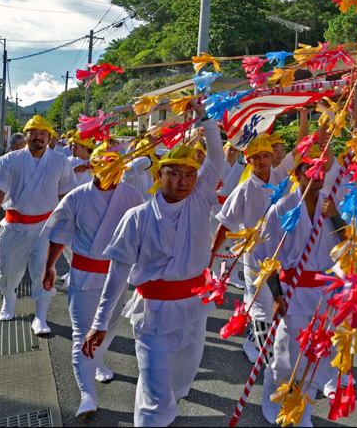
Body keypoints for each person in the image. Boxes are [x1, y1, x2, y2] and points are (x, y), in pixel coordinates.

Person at [82, 104, 222, 427]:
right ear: (160, 175)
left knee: (178, 384)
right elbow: (117, 274)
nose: (183, 181)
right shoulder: (138, 218)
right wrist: (101, 322)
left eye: (190, 174)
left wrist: (205, 114)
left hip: (195, 310)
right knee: (157, 397)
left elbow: (215, 156)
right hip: (154, 315)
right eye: (175, 173)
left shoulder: (201, 199)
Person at [42, 142, 144, 418]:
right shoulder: (76, 197)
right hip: (84, 274)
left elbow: (144, 236)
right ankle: (87, 393)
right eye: (102, 164)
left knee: (109, 326)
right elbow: (60, 235)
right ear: (93, 166)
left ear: (122, 167)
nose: (108, 170)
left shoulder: (134, 196)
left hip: (118, 275)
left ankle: (96, 360)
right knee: (82, 332)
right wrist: (50, 266)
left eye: (114, 164)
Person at [258, 150, 346, 426]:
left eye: (322, 170)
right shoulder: (282, 208)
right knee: (287, 354)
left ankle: (302, 411)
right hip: (291, 288)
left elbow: (347, 246)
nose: (317, 176)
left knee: (315, 354)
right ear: (297, 174)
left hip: (322, 291)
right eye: (311, 170)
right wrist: (275, 295)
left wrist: (336, 217)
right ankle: (273, 396)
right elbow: (266, 256)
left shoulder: (331, 206)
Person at [0, 115, 78, 334]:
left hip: (45, 227)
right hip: (14, 225)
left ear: (49, 137)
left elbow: (67, 194)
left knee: (44, 272)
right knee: (7, 270)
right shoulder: (9, 160)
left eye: (43, 134)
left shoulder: (60, 161)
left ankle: (41, 317)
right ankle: (8, 302)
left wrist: (70, 221)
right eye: (33, 133)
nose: (38, 137)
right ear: (25, 136)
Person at [212, 134, 281, 364]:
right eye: (256, 157)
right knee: (261, 302)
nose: (262, 161)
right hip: (255, 256)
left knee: (275, 300)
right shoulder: (243, 189)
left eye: (266, 156)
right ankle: (267, 354)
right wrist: (211, 255)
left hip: (282, 255)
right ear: (248, 160)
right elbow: (225, 224)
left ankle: (252, 339)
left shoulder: (283, 180)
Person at [210, 141, 246, 289]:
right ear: (224, 149)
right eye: (230, 149)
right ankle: (215, 271)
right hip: (216, 206)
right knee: (216, 239)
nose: (232, 152)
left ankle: (233, 273)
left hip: (233, 208)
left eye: (236, 150)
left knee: (235, 241)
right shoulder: (216, 166)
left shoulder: (241, 169)